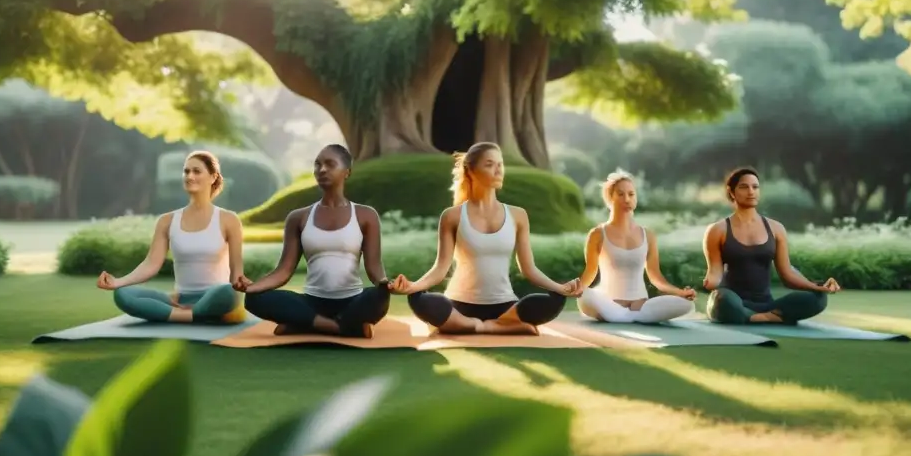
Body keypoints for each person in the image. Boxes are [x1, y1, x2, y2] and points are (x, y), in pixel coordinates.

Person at [389, 142, 581, 335]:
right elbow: (440, 269)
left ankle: (473, 326)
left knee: (555, 300)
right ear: (471, 171)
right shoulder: (452, 216)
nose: (498, 170)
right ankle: (491, 326)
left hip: (505, 306)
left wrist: (561, 288)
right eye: (489, 164)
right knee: (418, 298)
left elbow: (528, 269)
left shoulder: (518, 215)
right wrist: (412, 287)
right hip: (458, 304)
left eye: (500, 164)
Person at [234, 144, 390, 338]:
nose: (322, 169)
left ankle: (303, 325)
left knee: (378, 296)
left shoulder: (366, 215)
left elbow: (374, 266)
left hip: (352, 301)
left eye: (330, 164)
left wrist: (385, 284)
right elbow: (283, 271)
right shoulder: (298, 217)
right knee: (254, 299)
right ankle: (341, 327)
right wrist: (252, 288)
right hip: (312, 303)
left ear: (346, 172)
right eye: (318, 165)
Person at [96, 150, 246, 323]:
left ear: (213, 177)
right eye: (186, 171)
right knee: (123, 293)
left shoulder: (229, 220)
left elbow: (237, 274)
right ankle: (192, 315)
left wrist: (243, 286)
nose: (189, 176)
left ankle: (174, 314)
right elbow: (151, 264)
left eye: (196, 171)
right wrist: (118, 282)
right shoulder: (167, 221)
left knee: (228, 292)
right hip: (179, 300)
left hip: (216, 297)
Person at [702, 166, 841, 325]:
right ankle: (768, 317)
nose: (751, 191)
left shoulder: (776, 228)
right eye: (744, 187)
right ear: (731, 192)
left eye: (755, 187)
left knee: (818, 299)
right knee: (721, 299)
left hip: (768, 304)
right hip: (733, 302)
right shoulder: (717, 230)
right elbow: (715, 271)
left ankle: (755, 317)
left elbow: (787, 274)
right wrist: (711, 281)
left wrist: (818, 287)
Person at [576, 170, 696, 324]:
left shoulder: (648, 235)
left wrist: (680, 292)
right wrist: (575, 289)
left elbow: (655, 277)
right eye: (620, 194)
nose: (627, 199)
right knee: (585, 296)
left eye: (631, 194)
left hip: (640, 305)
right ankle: (630, 316)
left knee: (686, 304)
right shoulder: (597, 234)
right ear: (609, 198)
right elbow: (590, 273)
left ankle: (625, 316)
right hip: (609, 303)